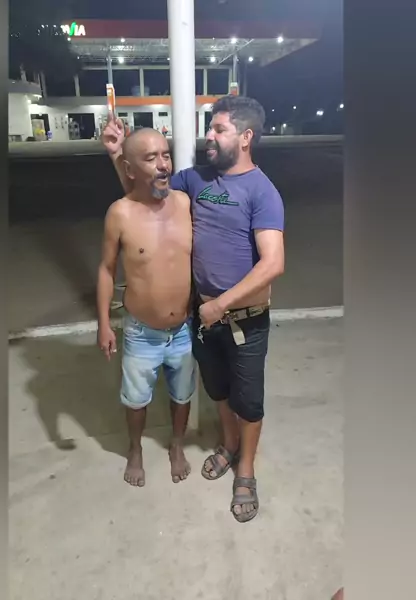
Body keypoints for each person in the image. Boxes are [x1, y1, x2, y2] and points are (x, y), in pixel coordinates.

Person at [103, 95, 285, 522]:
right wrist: (116, 155)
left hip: (244, 321)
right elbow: (146, 195)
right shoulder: (196, 179)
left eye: (219, 130)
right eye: (210, 128)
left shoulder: (262, 191)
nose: (209, 136)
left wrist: (221, 304)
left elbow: (273, 264)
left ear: (245, 137)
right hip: (203, 319)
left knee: (248, 402)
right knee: (218, 391)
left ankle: (246, 470)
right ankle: (228, 444)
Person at [97, 127, 194, 488]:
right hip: (141, 332)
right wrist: (104, 323)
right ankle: (135, 448)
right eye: (151, 158)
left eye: (165, 155)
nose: (163, 164)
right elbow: (106, 269)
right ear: (130, 168)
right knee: (136, 400)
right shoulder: (120, 214)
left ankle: (177, 443)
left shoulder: (184, 203)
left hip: (183, 329)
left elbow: (151, 189)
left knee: (182, 394)